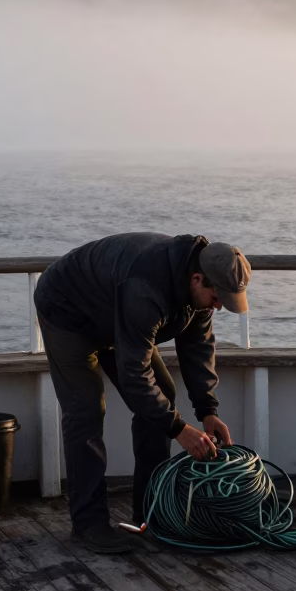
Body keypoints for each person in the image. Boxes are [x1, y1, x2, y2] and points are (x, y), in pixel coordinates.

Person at [33, 232, 251, 553]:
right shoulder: (146, 289)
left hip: (116, 315)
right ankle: (89, 525)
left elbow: (198, 349)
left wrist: (208, 410)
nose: (219, 307)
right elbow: (134, 374)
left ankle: (150, 514)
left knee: (162, 393)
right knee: (86, 410)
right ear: (196, 279)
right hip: (68, 310)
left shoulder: (201, 290)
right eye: (218, 299)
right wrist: (179, 430)